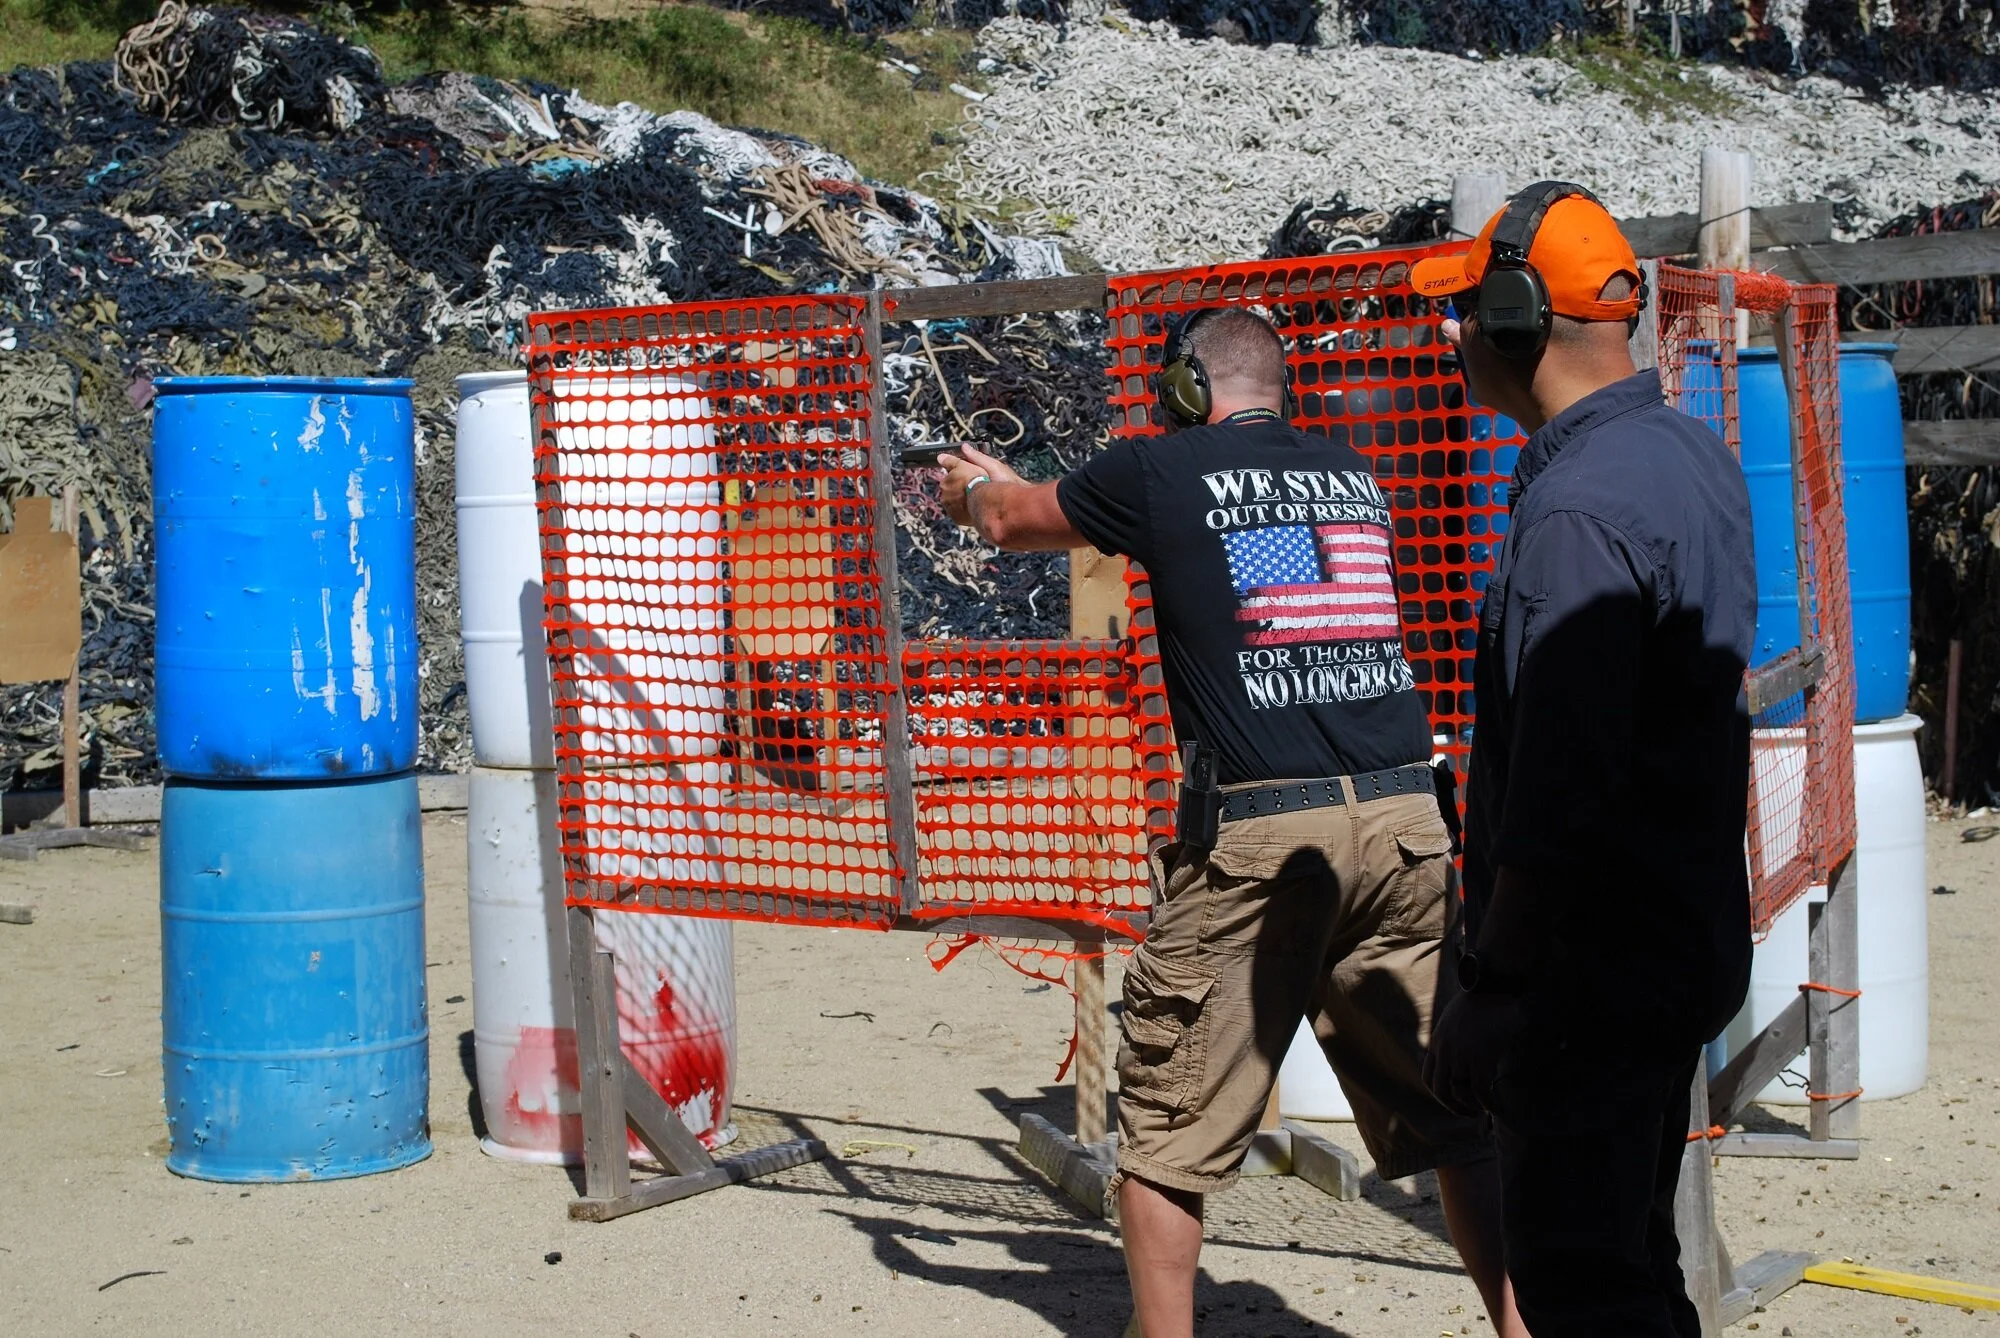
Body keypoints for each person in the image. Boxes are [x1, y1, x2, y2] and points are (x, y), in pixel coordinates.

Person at [933, 307, 1525, 1338]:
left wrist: (968, 485)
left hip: (1260, 837)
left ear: (1184, 391)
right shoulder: (1350, 470)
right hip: (1403, 820)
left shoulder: (1158, 469)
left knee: (1163, 1135)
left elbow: (1007, 523)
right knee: (1457, 1118)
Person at [1414, 182, 1757, 1338]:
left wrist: (1494, 988)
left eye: (1465, 308)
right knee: (1629, 1261)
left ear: (1512, 318)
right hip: (1673, 944)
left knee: (1577, 1286)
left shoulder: (1575, 513)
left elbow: (1561, 795)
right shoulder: (1685, 455)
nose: (1452, 335)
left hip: (1582, 981)